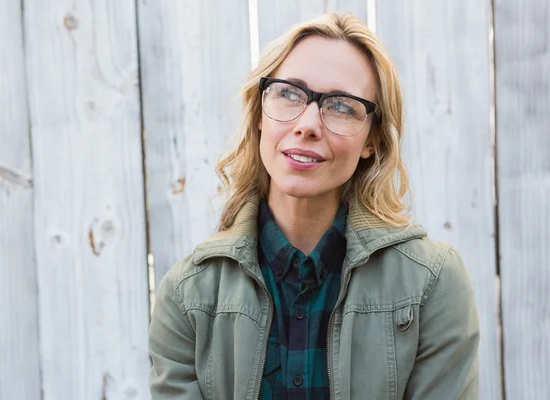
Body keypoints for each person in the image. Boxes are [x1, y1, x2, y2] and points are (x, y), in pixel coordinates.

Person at [148, 12, 479, 399]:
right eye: (289, 93)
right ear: (259, 113)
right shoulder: (187, 295)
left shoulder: (431, 283)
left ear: (371, 141)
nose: (308, 124)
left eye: (341, 105)